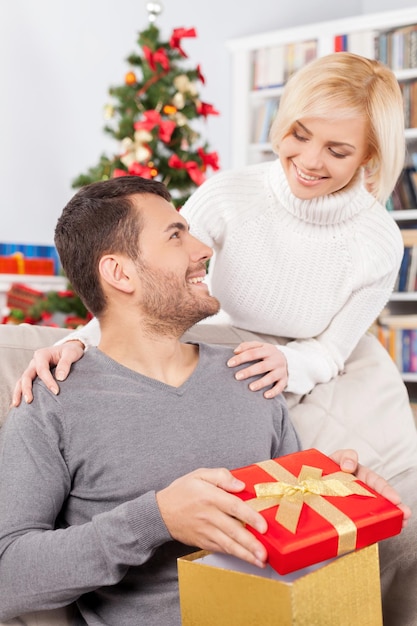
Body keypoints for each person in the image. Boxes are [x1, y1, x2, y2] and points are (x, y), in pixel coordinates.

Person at [0, 177, 411, 625]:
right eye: (176, 235)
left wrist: (345, 499)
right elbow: (8, 575)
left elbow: (298, 538)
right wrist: (156, 519)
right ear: (120, 273)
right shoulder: (53, 399)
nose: (202, 249)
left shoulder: (251, 373)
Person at [13, 52, 417, 480]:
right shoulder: (232, 194)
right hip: (218, 344)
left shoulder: (380, 243)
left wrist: (291, 364)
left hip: (298, 367)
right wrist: (78, 342)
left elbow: (333, 349)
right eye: (299, 135)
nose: (311, 161)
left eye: (337, 151)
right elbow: (152, 279)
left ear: (369, 156)